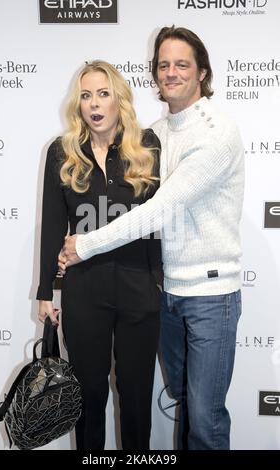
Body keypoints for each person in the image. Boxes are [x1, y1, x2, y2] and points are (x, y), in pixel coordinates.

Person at [59, 27, 245, 450]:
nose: (171, 72)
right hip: (166, 292)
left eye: (182, 64)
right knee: (184, 404)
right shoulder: (155, 136)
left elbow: (160, 211)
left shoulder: (216, 131)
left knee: (204, 416)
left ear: (202, 72)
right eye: (164, 65)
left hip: (210, 296)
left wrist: (83, 244)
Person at [36, 60, 163, 450]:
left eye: (103, 93)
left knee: (137, 397)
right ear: (79, 104)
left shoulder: (147, 147)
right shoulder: (63, 152)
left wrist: (161, 282)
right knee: (89, 396)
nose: (95, 103)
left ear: (119, 99)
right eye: (87, 95)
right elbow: (54, 225)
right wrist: (45, 291)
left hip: (139, 290)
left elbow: (157, 220)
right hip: (84, 292)